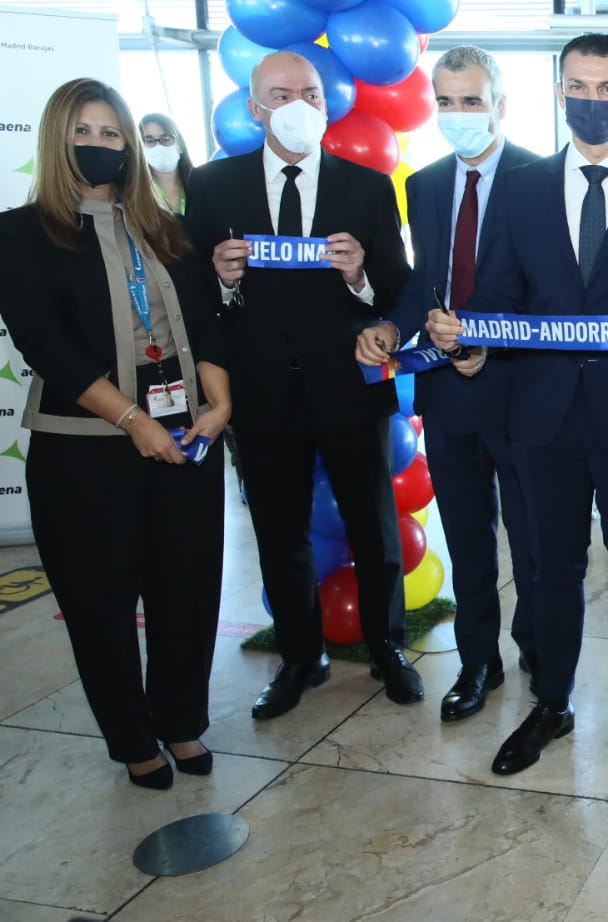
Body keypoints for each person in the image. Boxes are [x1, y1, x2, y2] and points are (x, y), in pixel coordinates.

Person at [430, 33, 608, 775]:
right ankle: (550, 704)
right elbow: (497, 292)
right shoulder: (521, 190)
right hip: (542, 414)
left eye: (606, 87)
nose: (592, 100)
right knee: (548, 568)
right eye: (578, 87)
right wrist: (473, 335)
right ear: (560, 94)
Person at [0, 78, 231, 787]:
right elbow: (45, 344)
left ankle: (181, 722)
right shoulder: (20, 232)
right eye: (84, 133)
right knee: (100, 604)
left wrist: (217, 405)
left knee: (186, 593)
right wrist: (131, 420)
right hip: (86, 451)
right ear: (57, 140)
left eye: (111, 134)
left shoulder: (165, 227)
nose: (100, 146)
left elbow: (204, 322)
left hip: (185, 443)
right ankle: (133, 739)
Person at [185, 50, 421, 721]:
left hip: (348, 387)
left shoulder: (368, 186)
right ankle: (299, 656)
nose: (297, 105)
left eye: (310, 93)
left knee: (372, 528)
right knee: (279, 531)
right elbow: (191, 298)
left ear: (326, 105)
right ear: (255, 106)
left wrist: (358, 279)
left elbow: (398, 288)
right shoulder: (212, 187)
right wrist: (224, 281)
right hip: (260, 393)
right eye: (280, 93)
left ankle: (386, 645)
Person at [355, 46, 539, 724]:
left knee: (531, 536)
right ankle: (478, 661)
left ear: (500, 105)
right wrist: (389, 327)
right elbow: (420, 281)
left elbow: (553, 293)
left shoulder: (540, 180)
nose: (459, 114)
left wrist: (492, 339)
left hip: (521, 389)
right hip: (446, 394)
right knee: (467, 536)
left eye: (473, 100)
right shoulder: (424, 184)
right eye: (448, 101)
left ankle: (537, 646)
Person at [140, 112, 193, 216]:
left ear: (180, 145)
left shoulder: (200, 186)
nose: (158, 145)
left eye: (166, 138)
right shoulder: (135, 195)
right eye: (149, 140)